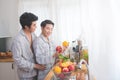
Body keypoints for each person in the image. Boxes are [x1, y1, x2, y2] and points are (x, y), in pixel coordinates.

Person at [11, 12, 45, 80]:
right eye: (34, 25)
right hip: (26, 75)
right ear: (26, 27)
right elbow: (18, 60)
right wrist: (35, 66)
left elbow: (38, 47)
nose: (36, 27)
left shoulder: (33, 34)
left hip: (36, 72)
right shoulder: (18, 40)